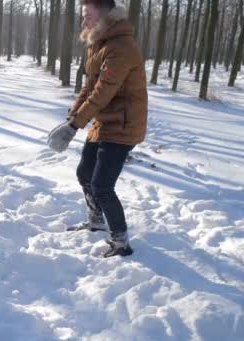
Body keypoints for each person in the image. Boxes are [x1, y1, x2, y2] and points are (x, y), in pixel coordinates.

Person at [47, 0, 148, 257]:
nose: (84, 22)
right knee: (84, 173)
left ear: (106, 16)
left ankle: (121, 241)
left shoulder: (122, 47)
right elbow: (88, 88)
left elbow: (104, 91)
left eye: (88, 16)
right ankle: (96, 219)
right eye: (83, 17)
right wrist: (71, 119)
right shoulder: (98, 43)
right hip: (104, 122)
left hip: (124, 126)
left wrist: (74, 126)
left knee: (102, 185)